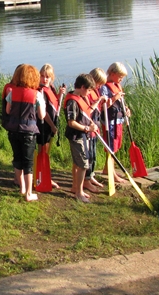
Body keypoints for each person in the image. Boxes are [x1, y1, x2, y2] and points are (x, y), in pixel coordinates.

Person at [4, 64, 46, 202]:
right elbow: (41, 116)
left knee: (17, 158)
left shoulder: (12, 92)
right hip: (28, 132)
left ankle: (21, 187)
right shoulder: (37, 95)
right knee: (28, 162)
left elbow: (8, 111)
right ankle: (28, 193)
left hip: (13, 130)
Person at [64, 73, 98, 203]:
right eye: (89, 90)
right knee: (83, 164)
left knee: (77, 162)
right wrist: (87, 129)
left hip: (82, 134)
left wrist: (90, 124)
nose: (89, 93)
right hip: (76, 135)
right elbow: (71, 122)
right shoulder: (72, 101)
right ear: (83, 87)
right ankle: (79, 192)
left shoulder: (80, 97)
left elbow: (84, 114)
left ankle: (75, 187)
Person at [37, 64, 66, 189]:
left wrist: (60, 94)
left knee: (47, 152)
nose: (44, 79)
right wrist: (53, 126)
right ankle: (40, 176)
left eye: (47, 77)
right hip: (44, 125)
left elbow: (55, 104)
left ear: (51, 77)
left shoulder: (51, 88)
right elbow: (45, 113)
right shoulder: (41, 91)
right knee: (42, 151)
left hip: (51, 125)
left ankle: (45, 175)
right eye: (42, 76)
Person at [101, 62, 129, 184]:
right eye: (120, 76)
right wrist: (114, 98)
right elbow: (104, 105)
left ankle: (107, 170)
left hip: (118, 120)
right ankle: (113, 175)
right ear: (112, 74)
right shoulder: (104, 87)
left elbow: (121, 102)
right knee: (110, 147)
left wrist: (126, 109)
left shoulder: (117, 85)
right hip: (109, 121)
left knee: (116, 146)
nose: (121, 79)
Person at [83, 68, 108, 194]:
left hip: (95, 129)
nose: (99, 86)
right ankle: (85, 180)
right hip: (88, 129)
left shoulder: (96, 91)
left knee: (93, 155)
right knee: (88, 155)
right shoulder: (88, 93)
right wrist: (99, 100)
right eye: (98, 84)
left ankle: (91, 176)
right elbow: (89, 110)